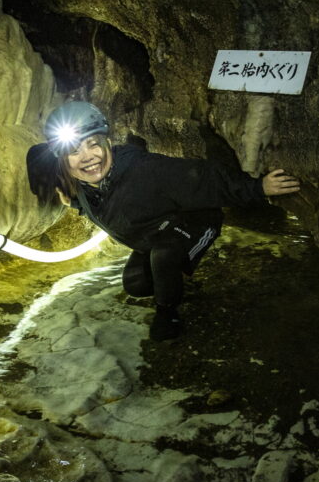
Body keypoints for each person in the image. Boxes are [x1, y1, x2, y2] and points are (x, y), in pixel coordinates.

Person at [26, 101, 300, 341]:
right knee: (137, 285)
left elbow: (205, 177)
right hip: (151, 234)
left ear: (107, 142)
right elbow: (46, 162)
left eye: (93, 144)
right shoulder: (82, 186)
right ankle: (170, 276)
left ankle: (168, 313)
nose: (87, 156)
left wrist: (257, 188)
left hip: (196, 221)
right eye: (74, 151)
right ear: (62, 160)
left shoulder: (144, 170)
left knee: (165, 255)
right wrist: (65, 196)